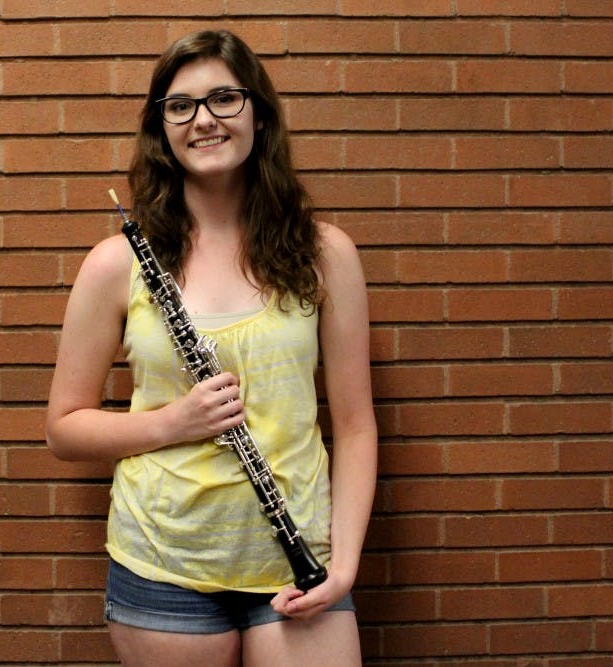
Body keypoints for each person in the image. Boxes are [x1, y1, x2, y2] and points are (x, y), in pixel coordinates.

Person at [46, 29, 377, 667]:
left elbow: (358, 426)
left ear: (259, 113)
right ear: (161, 127)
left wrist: (344, 564)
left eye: (224, 98)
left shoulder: (325, 253)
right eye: (181, 105)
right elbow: (63, 430)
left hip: (298, 558)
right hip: (163, 563)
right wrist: (176, 422)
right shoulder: (117, 264)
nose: (204, 120)